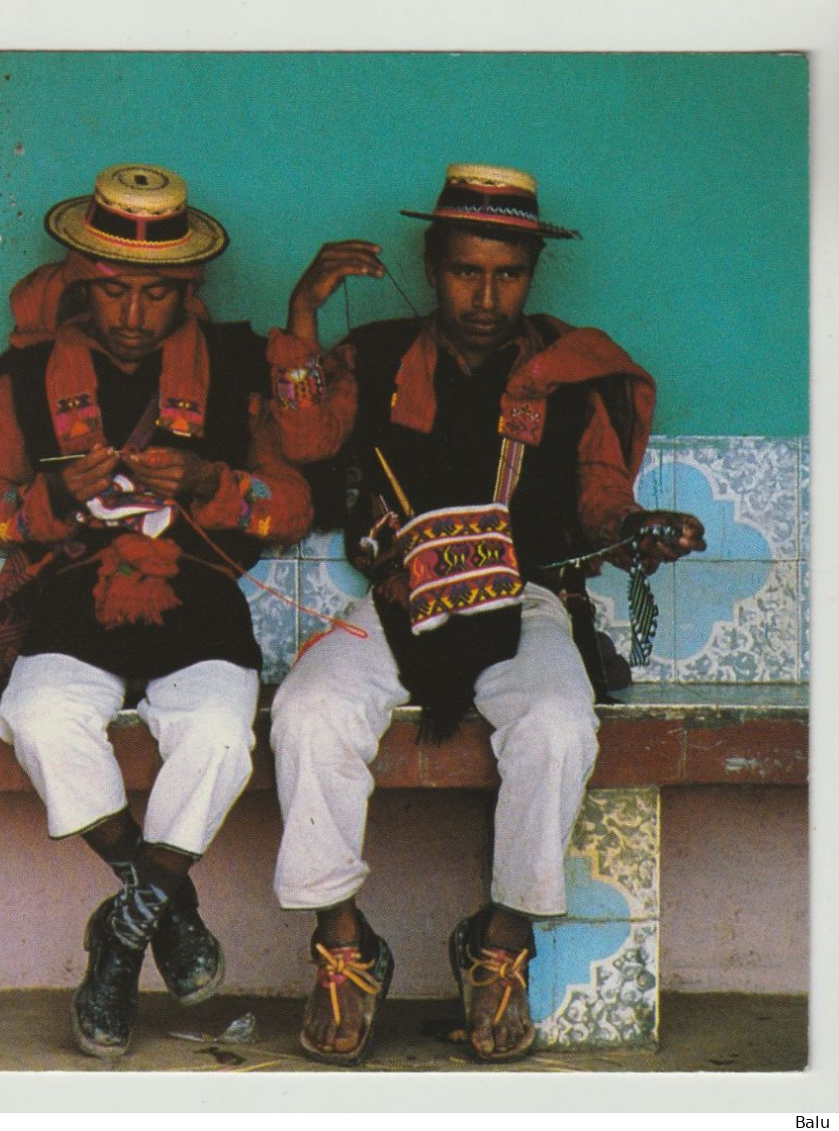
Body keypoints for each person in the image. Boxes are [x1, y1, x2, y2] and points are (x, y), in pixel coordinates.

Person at [267, 164, 705, 1064]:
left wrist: (634, 528)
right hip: (399, 595)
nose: (485, 293)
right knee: (306, 712)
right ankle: (344, 946)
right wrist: (303, 311)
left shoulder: (566, 373)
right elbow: (304, 440)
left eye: (506, 274)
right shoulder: (381, 356)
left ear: (530, 274)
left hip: (524, 598)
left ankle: (498, 944)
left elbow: (597, 495)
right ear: (431, 267)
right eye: (466, 270)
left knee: (554, 722)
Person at [0, 164, 312, 1058]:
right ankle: (165, 908)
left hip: (201, 603)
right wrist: (53, 497)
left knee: (221, 736)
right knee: (34, 714)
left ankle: (117, 942)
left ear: (187, 288)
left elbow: (290, 502)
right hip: (74, 602)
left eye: (155, 293)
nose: (133, 315)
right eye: (113, 292)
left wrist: (217, 482)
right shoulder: (22, 379)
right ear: (80, 282)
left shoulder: (236, 368)